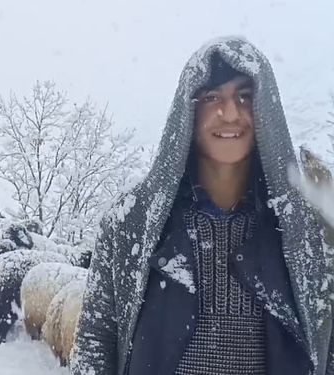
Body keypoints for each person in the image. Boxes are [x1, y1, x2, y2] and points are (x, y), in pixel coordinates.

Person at [69, 37, 334, 375]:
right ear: (188, 112)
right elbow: (95, 344)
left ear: (267, 108)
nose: (230, 112)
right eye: (212, 97)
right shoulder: (132, 223)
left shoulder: (310, 232)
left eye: (245, 96)